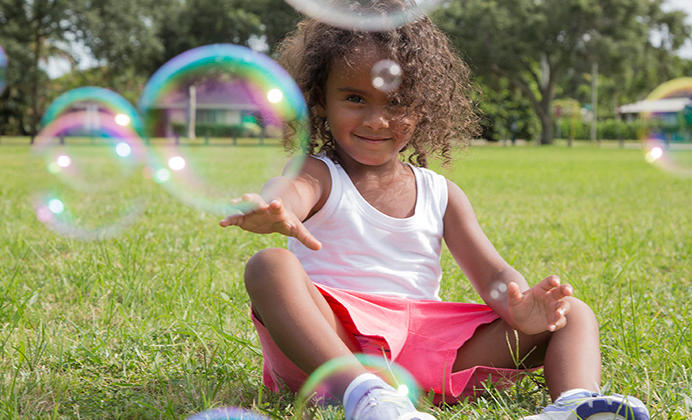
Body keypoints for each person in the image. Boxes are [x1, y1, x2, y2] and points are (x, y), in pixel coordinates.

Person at [220, 3, 650, 420]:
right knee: (269, 266)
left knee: (573, 314)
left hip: (427, 351)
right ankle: (367, 396)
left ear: (425, 107)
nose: (376, 120)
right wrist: (275, 207)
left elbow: (494, 275)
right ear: (320, 101)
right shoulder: (320, 174)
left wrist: (519, 306)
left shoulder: (440, 193)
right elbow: (291, 189)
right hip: (331, 351)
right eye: (355, 98)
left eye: (396, 103)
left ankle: (575, 403)